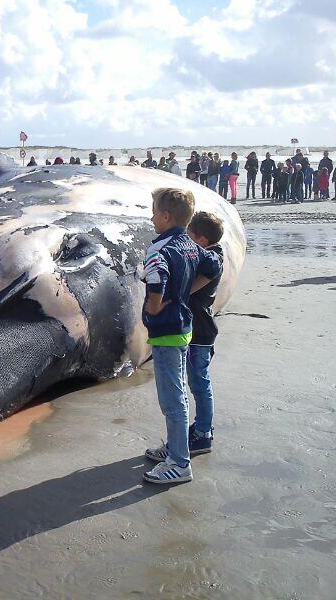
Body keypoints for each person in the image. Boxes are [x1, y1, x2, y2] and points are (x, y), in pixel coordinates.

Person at [141, 187, 222, 484]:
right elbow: (214, 267)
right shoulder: (191, 245)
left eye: (153, 211)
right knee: (178, 392)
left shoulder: (159, 250)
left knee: (172, 398)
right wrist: (186, 292)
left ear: (165, 216)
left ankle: (179, 462)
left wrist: (156, 305)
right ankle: (176, 448)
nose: (151, 217)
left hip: (166, 332)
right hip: (184, 328)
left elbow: (157, 282)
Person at [184, 211, 225, 456]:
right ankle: (202, 427)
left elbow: (188, 290)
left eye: (188, 235)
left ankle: (202, 435)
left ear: (201, 240)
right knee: (197, 382)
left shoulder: (211, 261)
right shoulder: (210, 255)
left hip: (199, 333)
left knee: (200, 384)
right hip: (198, 330)